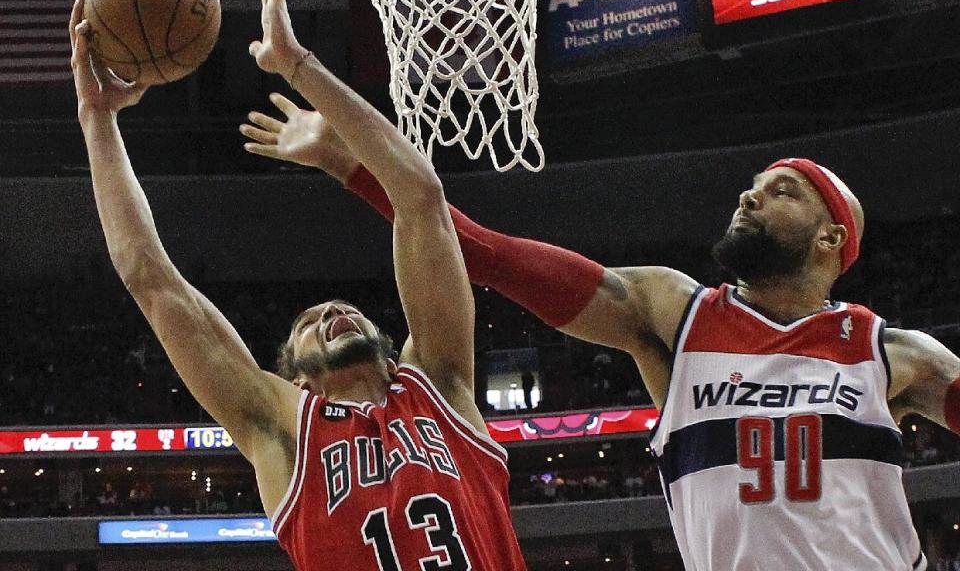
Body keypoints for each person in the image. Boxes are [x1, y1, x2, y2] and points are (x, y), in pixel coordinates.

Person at [242, 94, 960, 571]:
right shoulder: (673, 316)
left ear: (833, 236)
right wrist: (344, 162)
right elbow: (483, 253)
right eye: (754, 182)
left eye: (783, 190)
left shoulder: (891, 352)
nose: (751, 193)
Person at [70, 0, 525, 571]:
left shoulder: (440, 384)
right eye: (311, 321)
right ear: (298, 379)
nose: (335, 309)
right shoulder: (282, 427)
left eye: (341, 311)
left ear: (390, 350)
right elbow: (150, 278)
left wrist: (299, 65)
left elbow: (420, 196)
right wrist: (97, 120)